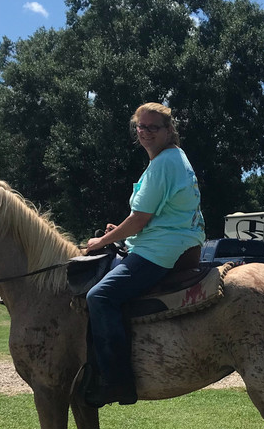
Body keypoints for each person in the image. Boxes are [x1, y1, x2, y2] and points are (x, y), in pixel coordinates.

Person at [82, 102, 206, 406]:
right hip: (177, 242)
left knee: (99, 297)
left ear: (168, 130)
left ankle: (116, 382)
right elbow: (153, 218)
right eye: (141, 126)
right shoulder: (174, 158)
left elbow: (140, 219)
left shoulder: (164, 163)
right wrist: (122, 231)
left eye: (153, 127)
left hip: (162, 250)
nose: (145, 132)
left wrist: (101, 242)